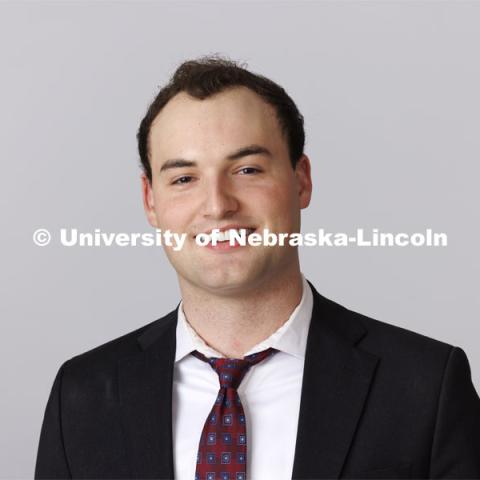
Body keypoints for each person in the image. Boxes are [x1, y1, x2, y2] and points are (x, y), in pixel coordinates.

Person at [35, 56, 480, 480]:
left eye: (247, 169)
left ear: (301, 180)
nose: (217, 205)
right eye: (184, 179)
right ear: (151, 201)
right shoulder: (82, 395)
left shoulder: (425, 386)